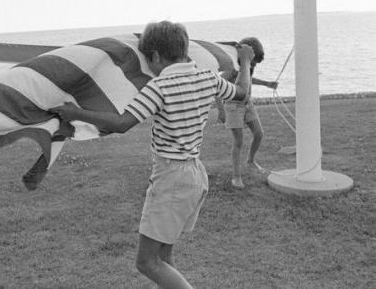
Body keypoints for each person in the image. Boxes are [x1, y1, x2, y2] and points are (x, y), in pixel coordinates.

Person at [50, 21, 254, 289]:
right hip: (193, 175)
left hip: (172, 178)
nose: (148, 67)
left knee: (146, 262)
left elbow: (122, 123)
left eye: (148, 61)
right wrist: (246, 62)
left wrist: (77, 113)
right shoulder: (207, 78)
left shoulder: (160, 86)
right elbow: (242, 92)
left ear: (156, 55)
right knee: (164, 257)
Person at [214, 37, 278, 188]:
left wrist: (267, 84)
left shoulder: (248, 65)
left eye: (255, 64)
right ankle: (236, 177)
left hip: (247, 103)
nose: (254, 65)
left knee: (259, 133)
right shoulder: (233, 67)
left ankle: (250, 160)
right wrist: (220, 111)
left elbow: (248, 78)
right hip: (232, 106)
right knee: (239, 141)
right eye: (253, 62)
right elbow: (216, 87)